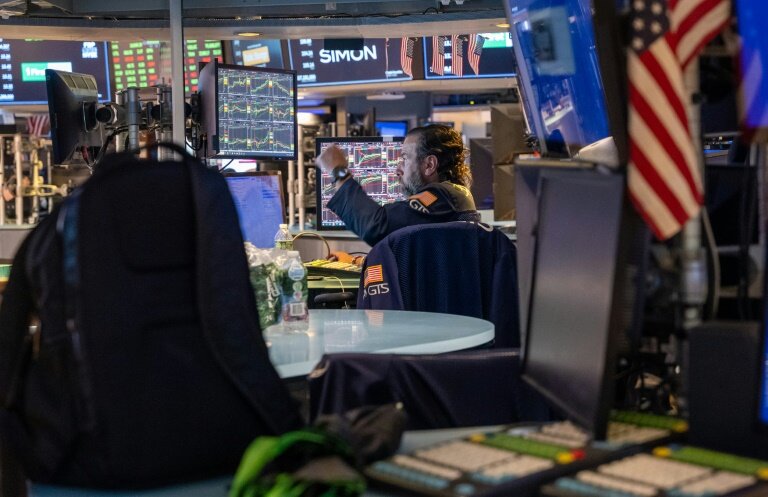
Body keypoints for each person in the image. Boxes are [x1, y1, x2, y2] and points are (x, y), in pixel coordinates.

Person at [316, 124, 480, 246]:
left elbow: (377, 226)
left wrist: (338, 171)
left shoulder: (442, 197)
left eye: (405, 158)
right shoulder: (454, 196)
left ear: (430, 165)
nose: (398, 169)